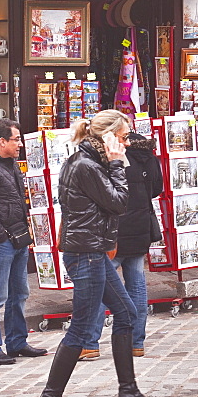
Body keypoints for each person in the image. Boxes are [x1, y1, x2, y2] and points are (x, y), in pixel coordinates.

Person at [37, 110, 165, 397]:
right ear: (107, 137)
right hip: (86, 254)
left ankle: (129, 391)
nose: (124, 144)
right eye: (121, 138)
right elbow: (120, 202)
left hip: (91, 252)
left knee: (126, 314)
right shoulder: (86, 165)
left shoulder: (89, 161)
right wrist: (119, 162)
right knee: (81, 327)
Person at [80, 129, 164, 360]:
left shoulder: (115, 159)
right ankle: (136, 343)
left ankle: (90, 343)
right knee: (136, 284)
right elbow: (157, 189)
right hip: (140, 228)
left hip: (116, 231)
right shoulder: (150, 159)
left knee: (100, 285)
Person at [0, 118, 48, 365]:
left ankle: (17, 341)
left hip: (17, 237)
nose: (20, 145)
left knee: (19, 292)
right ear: (1, 141)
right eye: (16, 139)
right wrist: (1, 235)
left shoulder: (11, 164)